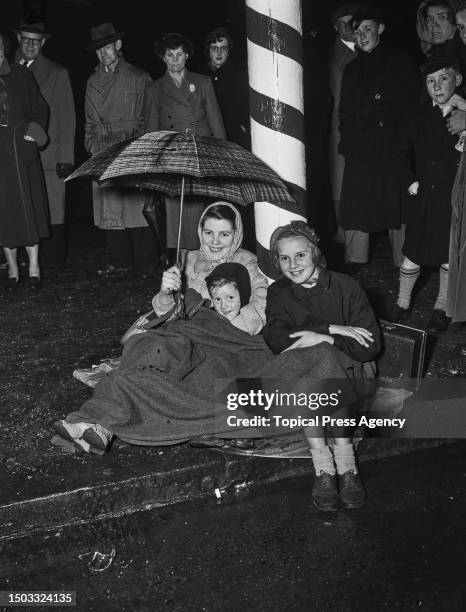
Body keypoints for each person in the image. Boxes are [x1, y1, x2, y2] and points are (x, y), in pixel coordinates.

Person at [262, 221, 381, 511]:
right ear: (277, 262)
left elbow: (369, 347)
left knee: (322, 360)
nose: (293, 264)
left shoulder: (345, 286)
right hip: (308, 374)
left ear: (315, 253)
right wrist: (331, 328)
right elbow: (277, 339)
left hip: (352, 373)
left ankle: (344, 463)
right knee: (315, 366)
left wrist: (324, 338)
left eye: (300, 255)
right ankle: (326, 466)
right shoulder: (279, 292)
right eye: (285, 258)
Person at [338, 7, 419, 271]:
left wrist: (404, 144)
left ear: (380, 29)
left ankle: (405, 262)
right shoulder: (351, 69)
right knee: (358, 205)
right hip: (361, 149)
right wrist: (348, 143)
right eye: (358, 31)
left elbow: (411, 107)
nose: (362, 36)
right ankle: (354, 262)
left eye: (368, 29)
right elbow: (345, 112)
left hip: (393, 146)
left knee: (398, 207)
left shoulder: (401, 62)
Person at [389, 54, 462, 333]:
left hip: (452, 198)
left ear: (457, 79)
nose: (437, 86)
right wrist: (409, 181)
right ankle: (403, 302)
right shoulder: (416, 114)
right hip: (423, 197)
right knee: (413, 251)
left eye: (444, 78)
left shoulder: (463, 114)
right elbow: (397, 152)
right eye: (431, 81)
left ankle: (442, 307)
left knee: (447, 253)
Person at [144, 33, 226, 255]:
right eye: (170, 55)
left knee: (204, 215)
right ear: (163, 58)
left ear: (187, 55)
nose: (175, 59)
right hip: (173, 158)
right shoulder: (155, 89)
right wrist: (154, 165)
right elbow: (151, 130)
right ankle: (181, 269)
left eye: (179, 54)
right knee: (176, 219)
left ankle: (206, 266)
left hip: (202, 156)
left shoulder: (202, 82)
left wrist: (222, 155)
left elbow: (215, 121)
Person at [85, 22, 155, 275]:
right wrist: (96, 150)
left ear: (118, 45)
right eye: (99, 49)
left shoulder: (139, 77)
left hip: (132, 149)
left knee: (136, 207)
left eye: (108, 47)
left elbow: (147, 119)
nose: (104, 53)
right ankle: (119, 260)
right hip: (104, 151)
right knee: (110, 206)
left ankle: (146, 262)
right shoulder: (92, 81)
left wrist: (134, 149)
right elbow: (90, 124)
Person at [152, 201, 266, 335]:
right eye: (208, 233)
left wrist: (218, 334)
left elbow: (260, 308)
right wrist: (166, 295)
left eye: (224, 234)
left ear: (236, 235)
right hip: (186, 335)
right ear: (200, 232)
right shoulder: (189, 259)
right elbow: (169, 316)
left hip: (228, 338)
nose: (215, 241)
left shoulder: (248, 262)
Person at [15, 21, 75, 268]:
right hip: (16, 153)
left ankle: (53, 261)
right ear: (18, 39)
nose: (30, 44)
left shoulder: (57, 72)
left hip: (49, 155)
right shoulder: (6, 68)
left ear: (43, 43)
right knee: (21, 206)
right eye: (26, 39)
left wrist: (66, 158)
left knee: (52, 208)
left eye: (36, 40)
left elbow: (67, 116)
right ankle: (20, 260)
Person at [0, 30, 49, 291]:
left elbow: (40, 109)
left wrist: (34, 132)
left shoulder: (21, 75)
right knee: (3, 212)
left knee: (28, 209)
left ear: (3, 49)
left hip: (20, 151)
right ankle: (11, 269)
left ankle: (33, 267)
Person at [326, 3, 359, 245]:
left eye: (352, 22)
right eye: (343, 23)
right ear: (336, 28)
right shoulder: (337, 57)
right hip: (342, 129)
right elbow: (338, 102)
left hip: (362, 128)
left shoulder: (362, 50)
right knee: (342, 182)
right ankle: (343, 234)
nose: (349, 28)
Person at [199, 27, 250, 149]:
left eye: (223, 48)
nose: (219, 53)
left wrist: (243, 128)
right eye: (214, 48)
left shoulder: (240, 76)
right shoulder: (199, 77)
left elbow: (246, 107)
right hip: (206, 138)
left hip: (234, 138)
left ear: (229, 51)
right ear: (208, 50)